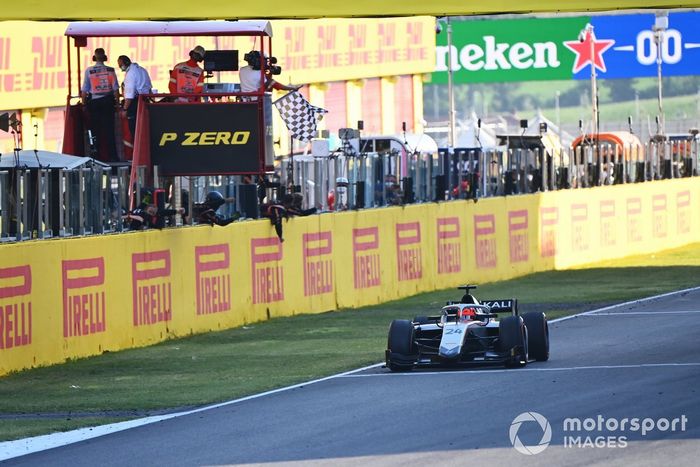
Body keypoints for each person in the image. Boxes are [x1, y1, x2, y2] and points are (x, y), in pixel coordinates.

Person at [81, 48, 119, 162]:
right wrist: (117, 103)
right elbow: (116, 89)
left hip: (94, 104)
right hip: (108, 103)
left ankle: (96, 157)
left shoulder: (89, 71)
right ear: (105, 57)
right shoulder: (111, 70)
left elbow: (84, 90)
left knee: (95, 132)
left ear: (94, 58)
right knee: (110, 132)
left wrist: (83, 104)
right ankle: (113, 158)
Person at [117, 55, 152, 140]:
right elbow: (149, 88)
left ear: (125, 63)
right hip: (145, 101)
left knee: (134, 130)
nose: (119, 66)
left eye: (120, 64)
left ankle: (136, 151)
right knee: (144, 129)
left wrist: (125, 109)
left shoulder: (131, 74)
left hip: (135, 103)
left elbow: (129, 95)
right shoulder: (142, 70)